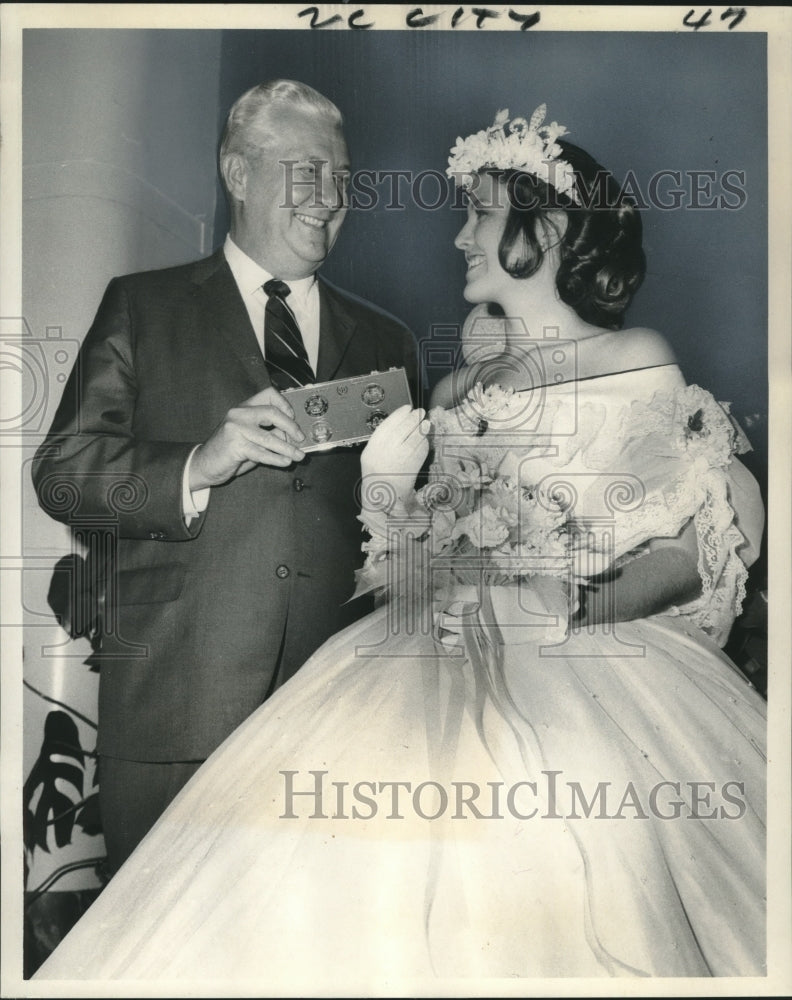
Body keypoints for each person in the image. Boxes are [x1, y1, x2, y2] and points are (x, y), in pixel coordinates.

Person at [35, 104, 766, 983]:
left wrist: (559, 605)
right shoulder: (450, 381)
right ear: (237, 172)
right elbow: (408, 551)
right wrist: (386, 496)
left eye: (481, 214)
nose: (458, 237)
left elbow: (691, 537)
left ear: (555, 228)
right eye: (308, 174)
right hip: (380, 665)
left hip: (577, 672)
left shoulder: (602, 353)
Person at [30, 79, 418, 873]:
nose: (333, 198)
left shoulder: (388, 340)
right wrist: (196, 465)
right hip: (176, 720)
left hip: (336, 727)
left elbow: (413, 543)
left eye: (344, 178)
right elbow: (64, 475)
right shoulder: (142, 307)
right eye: (309, 172)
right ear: (237, 173)